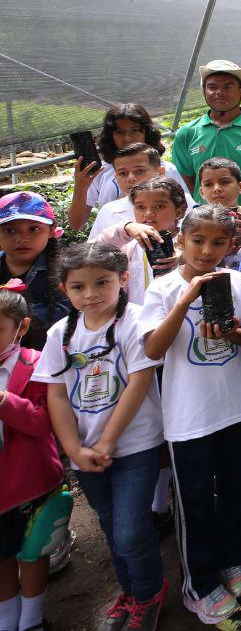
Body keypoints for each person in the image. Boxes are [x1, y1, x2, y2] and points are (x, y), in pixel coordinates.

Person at [35, 243, 167, 629]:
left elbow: (139, 383)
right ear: (64, 289)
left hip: (134, 445)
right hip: (86, 451)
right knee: (110, 525)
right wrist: (74, 448)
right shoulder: (61, 333)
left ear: (123, 281)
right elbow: (56, 393)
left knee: (129, 529)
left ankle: (148, 593)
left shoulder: (135, 322)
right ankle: (129, 590)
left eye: (102, 283)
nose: (90, 294)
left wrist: (107, 442)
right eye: (78, 287)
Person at [140, 206, 241, 623]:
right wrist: (185, 300)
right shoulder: (162, 289)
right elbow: (153, 349)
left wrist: (232, 332)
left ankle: (234, 558)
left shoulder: (238, 282)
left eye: (218, 242)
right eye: (198, 241)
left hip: (239, 405)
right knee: (193, 502)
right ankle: (200, 584)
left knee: (236, 489)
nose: (207, 250)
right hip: (190, 416)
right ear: (180, 240)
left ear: (231, 245)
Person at [0, 287, 63, 631]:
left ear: (20, 327)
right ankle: (7, 620)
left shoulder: (36, 365)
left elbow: (42, 422)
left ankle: (32, 619)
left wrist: (5, 401)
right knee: (2, 557)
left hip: (30, 480)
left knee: (33, 550)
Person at [67, 103, 189, 232]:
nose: (127, 138)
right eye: (120, 132)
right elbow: (76, 225)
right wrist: (81, 187)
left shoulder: (166, 169)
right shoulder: (99, 172)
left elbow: (186, 213)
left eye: (135, 130)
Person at [171, 60, 241, 207]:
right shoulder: (187, 133)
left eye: (228, 87)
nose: (220, 92)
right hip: (205, 223)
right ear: (204, 91)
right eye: (212, 87)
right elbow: (185, 181)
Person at [97, 178, 187, 306]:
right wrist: (125, 228)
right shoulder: (129, 245)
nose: (148, 214)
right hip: (138, 320)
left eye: (159, 206)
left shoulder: (192, 242)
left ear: (179, 212)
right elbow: (94, 252)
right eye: (140, 207)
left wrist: (186, 259)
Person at [0, 192, 67, 351]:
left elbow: (68, 318)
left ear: (51, 230)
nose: (22, 238)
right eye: (10, 231)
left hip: (47, 361)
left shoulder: (66, 271)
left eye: (34, 229)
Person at [196, 158, 241, 271]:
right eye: (208, 184)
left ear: (240, 187)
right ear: (201, 192)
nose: (217, 189)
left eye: (225, 182)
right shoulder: (195, 220)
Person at [88, 144, 171, 242]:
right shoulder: (108, 212)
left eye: (139, 171)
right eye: (123, 173)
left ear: (160, 172)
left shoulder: (181, 201)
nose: (131, 178)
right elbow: (92, 251)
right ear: (116, 178)